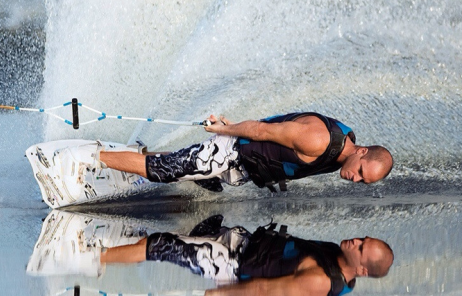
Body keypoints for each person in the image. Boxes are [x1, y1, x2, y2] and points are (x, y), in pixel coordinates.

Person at [100, 215, 394, 296]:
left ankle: (92, 259)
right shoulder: (337, 255)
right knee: (162, 240)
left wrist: (222, 293)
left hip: (228, 264)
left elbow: (262, 293)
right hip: (242, 242)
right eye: (362, 238)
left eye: (362, 247)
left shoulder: (320, 283)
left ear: (363, 270)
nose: (355, 241)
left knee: (158, 246)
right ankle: (111, 250)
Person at [93, 112, 393, 192]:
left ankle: (138, 156)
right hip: (234, 151)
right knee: (168, 171)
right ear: (362, 151)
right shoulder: (319, 138)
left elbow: (292, 156)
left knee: (194, 176)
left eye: (362, 182)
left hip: (244, 168)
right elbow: (263, 131)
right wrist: (224, 128)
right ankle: (96, 158)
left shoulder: (342, 155)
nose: (355, 179)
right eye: (361, 173)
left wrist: (278, 174)